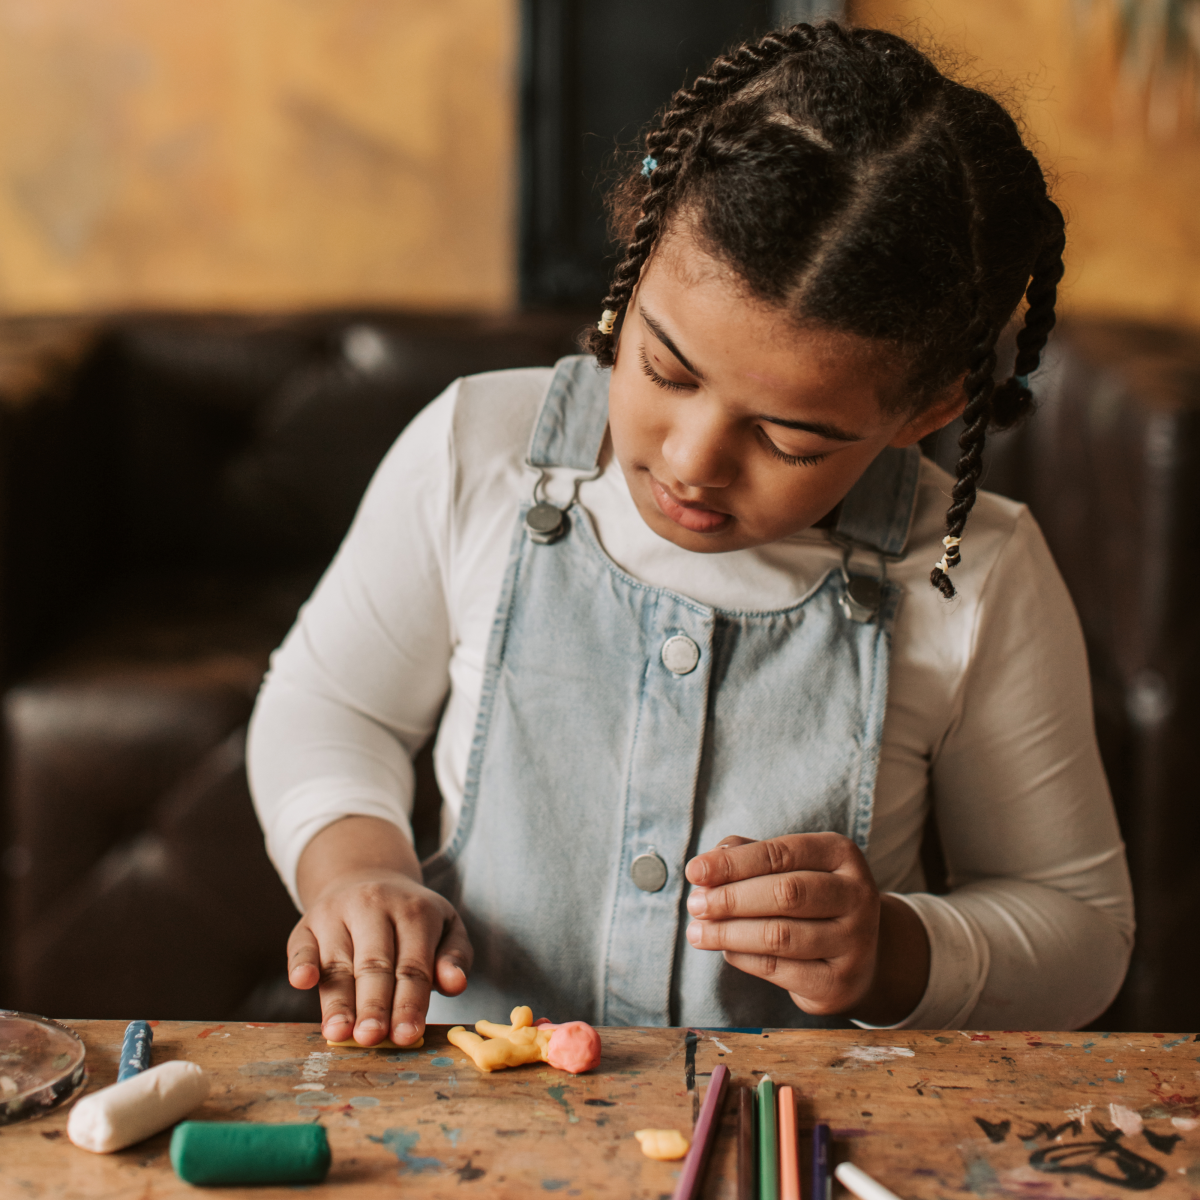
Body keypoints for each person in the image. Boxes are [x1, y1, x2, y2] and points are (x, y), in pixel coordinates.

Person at [248, 21, 1133, 1047]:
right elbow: (329, 706)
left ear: (927, 412)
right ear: (637, 242)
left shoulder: (973, 575)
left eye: (793, 436)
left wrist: (889, 949)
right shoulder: (480, 451)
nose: (693, 460)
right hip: (474, 1098)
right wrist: (357, 867)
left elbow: (1082, 934)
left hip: (785, 1134)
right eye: (664, 370)